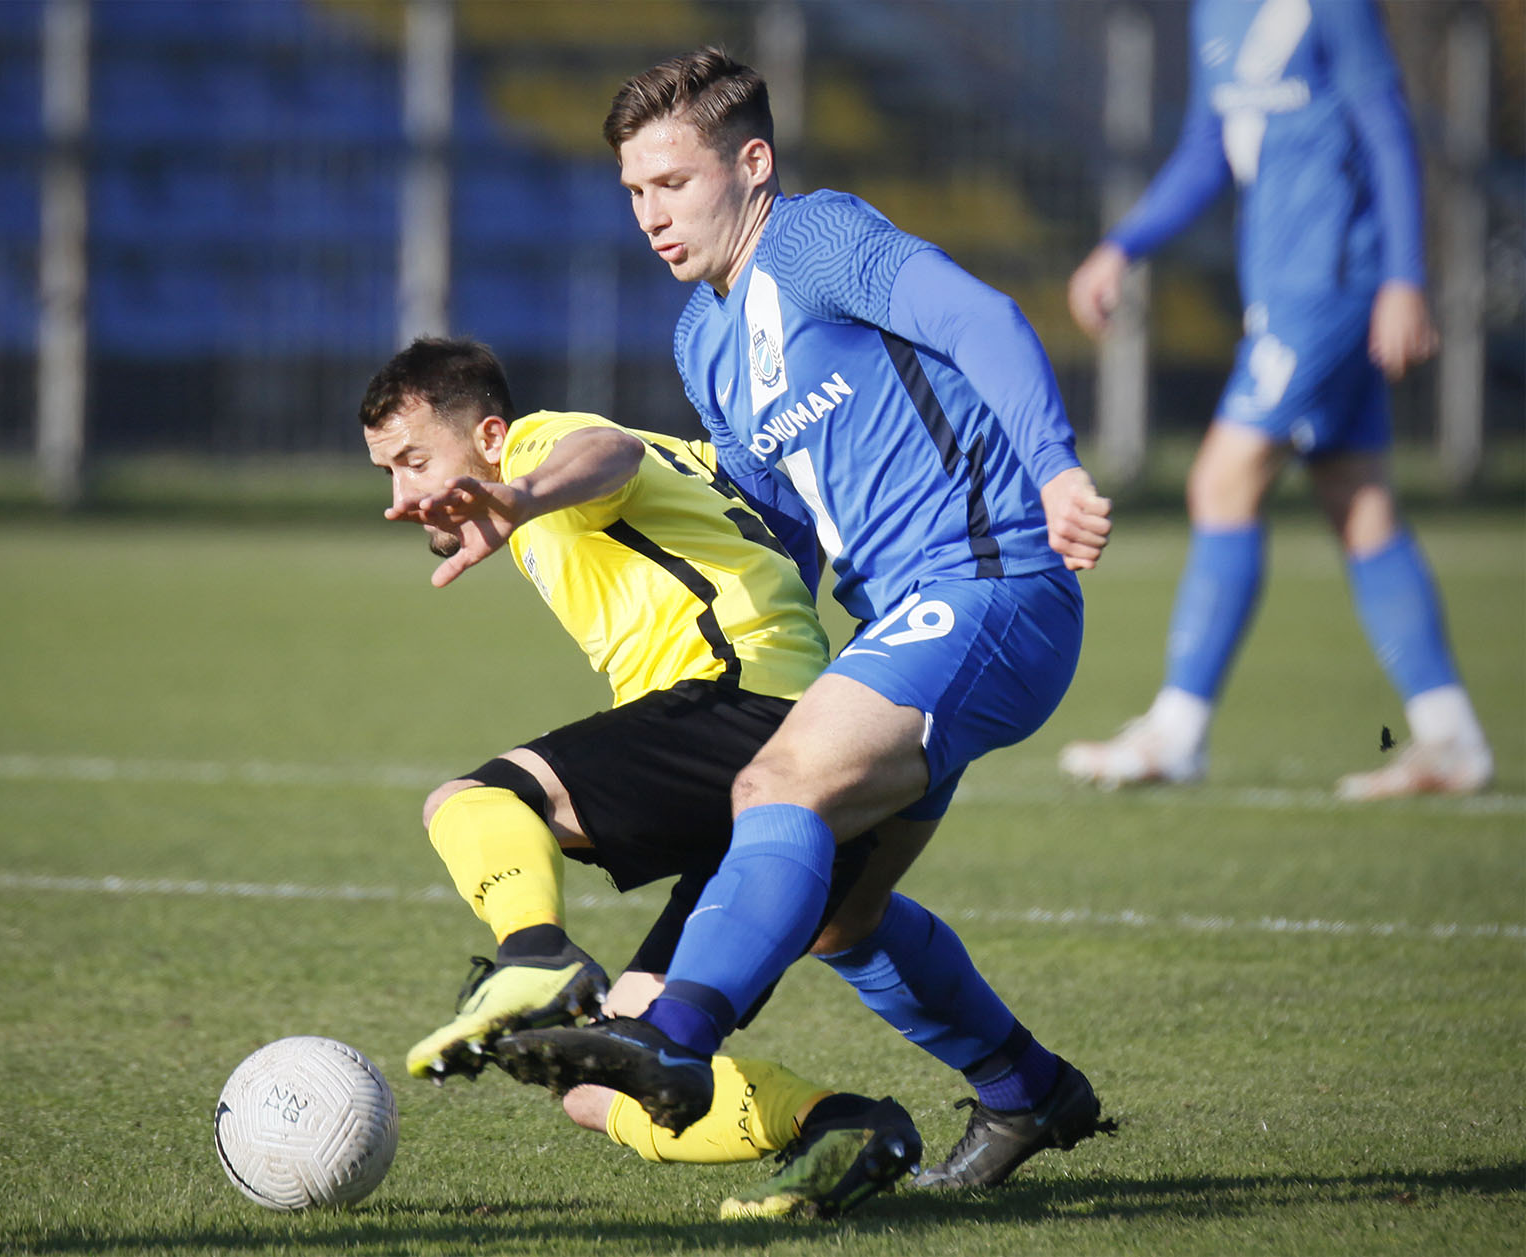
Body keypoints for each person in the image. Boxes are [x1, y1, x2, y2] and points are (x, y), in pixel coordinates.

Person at [495, 48, 1118, 1192]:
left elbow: (982, 318)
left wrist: (1055, 469)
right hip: (911, 619)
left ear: (754, 163)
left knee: (779, 795)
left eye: (673, 184)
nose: (651, 215)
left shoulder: (816, 239)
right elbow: (779, 536)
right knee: (840, 912)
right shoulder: (702, 342)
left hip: (991, 578)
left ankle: (673, 1036)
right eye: (634, 192)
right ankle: (1027, 1092)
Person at [360, 336, 922, 1219]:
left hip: (747, 710)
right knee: (606, 1081)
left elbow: (606, 452)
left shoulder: (546, 445)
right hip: (805, 774)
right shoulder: (684, 463)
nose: (404, 494)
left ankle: (534, 953)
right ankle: (840, 1126)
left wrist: (523, 492)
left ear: (492, 434)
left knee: (470, 801)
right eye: (387, 472)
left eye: (414, 461)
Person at [1059, 0, 1492, 798]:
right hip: (1284, 286)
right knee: (1357, 502)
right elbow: (1205, 149)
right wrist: (1124, 245)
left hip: (1329, 285)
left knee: (1220, 480)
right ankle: (1450, 734)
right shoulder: (1214, 13)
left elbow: (1388, 127)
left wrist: (1405, 276)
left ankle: (1178, 731)